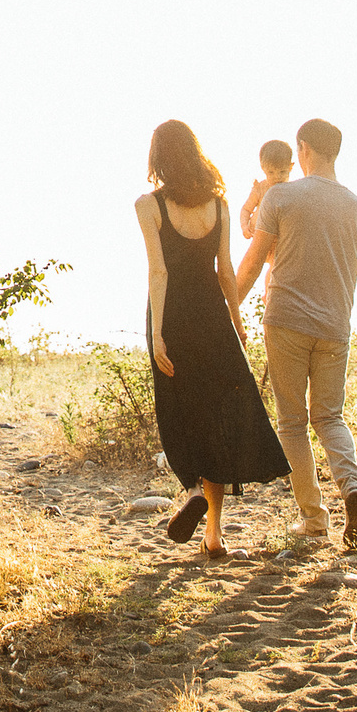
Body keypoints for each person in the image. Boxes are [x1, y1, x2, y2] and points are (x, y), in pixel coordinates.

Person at [135, 119, 291, 557]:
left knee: (183, 411)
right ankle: (214, 534)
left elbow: (159, 271)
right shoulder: (220, 206)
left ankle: (193, 492)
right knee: (218, 413)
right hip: (212, 315)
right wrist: (237, 320)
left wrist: (158, 333)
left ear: (158, 157)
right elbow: (225, 269)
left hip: (174, 317)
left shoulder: (149, 206)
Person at [233, 118, 357, 547]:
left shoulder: (281, 196)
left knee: (293, 423)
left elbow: (255, 262)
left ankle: (313, 518)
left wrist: (228, 307)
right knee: (330, 417)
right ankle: (354, 490)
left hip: (287, 320)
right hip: (335, 325)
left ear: (303, 150)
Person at [237, 139, 297, 325]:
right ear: (263, 168)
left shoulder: (293, 190)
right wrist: (245, 226)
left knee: (274, 270)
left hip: (280, 241)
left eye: (282, 172)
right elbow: (246, 209)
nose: (277, 177)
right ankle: (232, 302)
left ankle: (268, 298)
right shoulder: (261, 188)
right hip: (260, 236)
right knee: (249, 266)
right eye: (271, 172)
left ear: (291, 167)